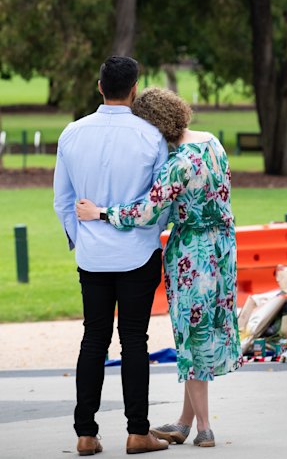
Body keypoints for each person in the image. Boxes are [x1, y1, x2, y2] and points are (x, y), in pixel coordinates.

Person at [76, 87, 242, 450]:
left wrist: (100, 212)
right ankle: (183, 422)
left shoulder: (176, 164)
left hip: (192, 252)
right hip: (223, 248)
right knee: (205, 327)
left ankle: (205, 426)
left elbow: (147, 212)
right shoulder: (212, 143)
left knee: (190, 334)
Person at [53, 56, 170, 456]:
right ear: (135, 89)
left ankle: (85, 433)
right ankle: (138, 431)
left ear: (99, 86)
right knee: (134, 340)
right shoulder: (151, 137)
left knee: (93, 339)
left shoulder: (71, 134)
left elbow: (62, 201)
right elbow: (161, 205)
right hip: (137, 252)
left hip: (92, 256)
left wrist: (83, 238)